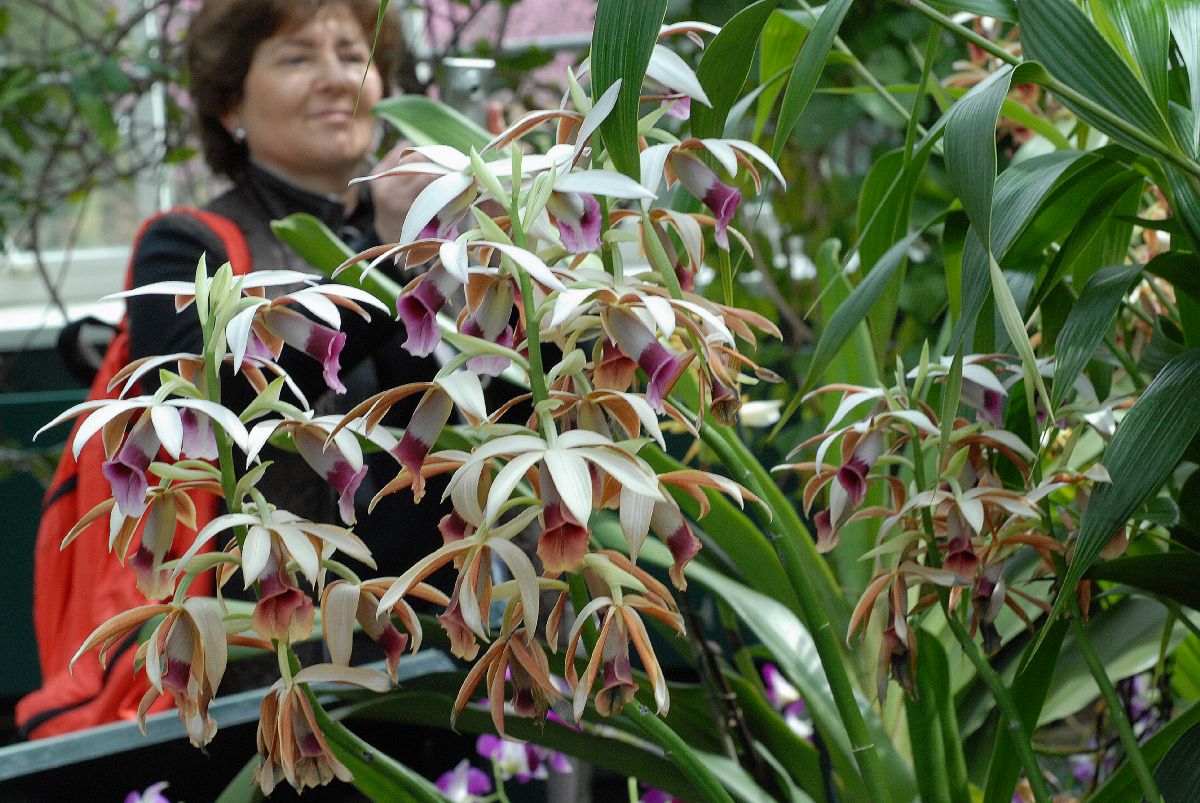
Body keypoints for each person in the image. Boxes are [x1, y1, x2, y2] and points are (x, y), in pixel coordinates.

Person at [18, 0, 445, 739]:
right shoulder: (185, 248)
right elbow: (211, 411)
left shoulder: (433, 244)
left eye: (353, 53)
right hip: (252, 691)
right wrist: (388, 259)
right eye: (296, 56)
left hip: (431, 667)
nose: (337, 78)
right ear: (227, 103)